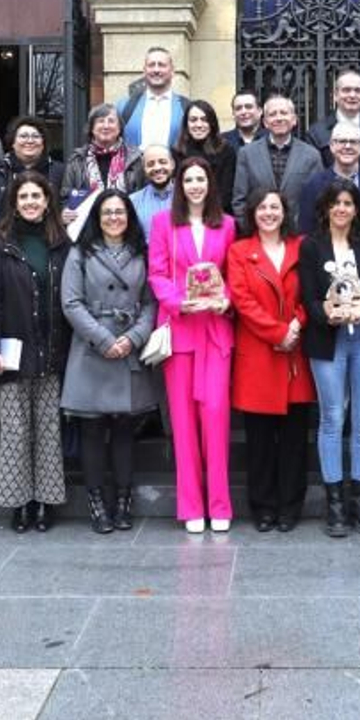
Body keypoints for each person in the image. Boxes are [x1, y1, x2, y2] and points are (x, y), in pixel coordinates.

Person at [60, 191, 160, 534]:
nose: (114, 218)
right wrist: (104, 340)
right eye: (107, 212)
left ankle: (123, 502)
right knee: (91, 429)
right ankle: (97, 504)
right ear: (97, 218)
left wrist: (133, 338)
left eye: (120, 212)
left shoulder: (142, 253)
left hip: (129, 347)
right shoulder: (80, 253)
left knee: (124, 429)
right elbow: (71, 303)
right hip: (92, 348)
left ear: (129, 216)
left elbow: (151, 303)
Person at [0, 172, 71, 532]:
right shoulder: (1, 243)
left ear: (47, 202)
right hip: (11, 351)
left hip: (51, 348)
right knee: (15, 431)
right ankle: (19, 503)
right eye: (24, 197)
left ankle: (45, 502)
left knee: (47, 429)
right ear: (14, 204)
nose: (31, 202)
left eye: (37, 196)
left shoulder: (61, 242)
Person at [149, 158, 237, 532]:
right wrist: (176, 302)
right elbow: (156, 272)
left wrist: (225, 299)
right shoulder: (163, 223)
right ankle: (191, 507)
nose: (195, 185)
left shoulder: (227, 224)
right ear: (179, 185)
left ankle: (219, 504)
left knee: (216, 417)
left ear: (210, 184)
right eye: (189, 179)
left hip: (215, 329)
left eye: (201, 178)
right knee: (183, 423)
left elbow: (233, 274)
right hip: (182, 328)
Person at [300, 179, 360, 537]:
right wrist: (326, 313)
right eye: (335, 203)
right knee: (332, 417)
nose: (341, 209)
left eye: (348, 203)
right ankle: (335, 503)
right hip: (328, 341)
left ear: (356, 209)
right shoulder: (311, 246)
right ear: (325, 208)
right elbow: (308, 298)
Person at [227, 189, 315, 533]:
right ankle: (263, 507)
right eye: (262, 207)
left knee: (294, 440)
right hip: (259, 354)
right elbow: (242, 300)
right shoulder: (239, 251)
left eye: (274, 207)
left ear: (284, 212)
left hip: (295, 354)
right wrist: (278, 332)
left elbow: (315, 291)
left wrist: (297, 324)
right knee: (260, 441)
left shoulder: (301, 246)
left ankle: (290, 506)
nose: (268, 213)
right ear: (252, 213)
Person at [232, 95, 323, 227]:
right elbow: (239, 201)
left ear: (294, 120)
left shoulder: (311, 155)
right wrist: (250, 229)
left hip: (298, 234)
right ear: (265, 122)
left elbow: (318, 199)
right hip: (258, 232)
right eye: (272, 114)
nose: (279, 118)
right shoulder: (247, 154)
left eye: (284, 113)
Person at [297, 120, 360, 233]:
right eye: (342, 141)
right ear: (331, 145)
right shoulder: (313, 185)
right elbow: (307, 230)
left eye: (353, 142)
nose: (347, 146)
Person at [60, 103, 143, 222]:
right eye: (100, 121)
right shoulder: (77, 160)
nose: (106, 126)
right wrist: (65, 211)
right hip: (88, 227)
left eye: (111, 121)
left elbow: (143, 196)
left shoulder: (136, 159)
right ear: (92, 128)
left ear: (119, 128)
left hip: (127, 224)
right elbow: (65, 197)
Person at [306, 68, 360, 176]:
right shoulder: (316, 133)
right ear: (335, 95)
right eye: (346, 90)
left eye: (358, 90)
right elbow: (315, 172)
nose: (352, 95)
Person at [0, 116, 66, 210]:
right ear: (13, 142)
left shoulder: (59, 172)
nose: (30, 141)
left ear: (43, 143)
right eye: (23, 136)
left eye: (36, 136)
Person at [117, 45, 190, 149]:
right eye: (151, 65)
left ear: (172, 71)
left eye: (161, 65)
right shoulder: (124, 106)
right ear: (144, 71)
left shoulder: (186, 107)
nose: (156, 70)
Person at [174, 99, 238, 212]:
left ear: (212, 123)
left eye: (204, 120)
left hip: (218, 214)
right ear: (186, 124)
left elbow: (226, 192)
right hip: (185, 214)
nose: (199, 125)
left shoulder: (226, 151)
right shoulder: (176, 152)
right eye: (193, 120)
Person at [128, 145, 176, 235]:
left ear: (172, 164)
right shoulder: (133, 201)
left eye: (162, 162)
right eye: (150, 164)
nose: (157, 168)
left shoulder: (185, 197)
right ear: (144, 169)